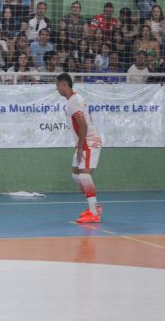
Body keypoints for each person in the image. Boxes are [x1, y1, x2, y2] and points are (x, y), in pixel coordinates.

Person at [56, 73, 103, 224]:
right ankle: (94, 206)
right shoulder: (73, 100)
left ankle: (94, 214)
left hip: (89, 142)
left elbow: (83, 125)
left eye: (57, 85)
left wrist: (81, 147)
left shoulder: (74, 101)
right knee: (76, 175)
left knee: (84, 176)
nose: (57, 89)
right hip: (84, 142)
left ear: (64, 85)